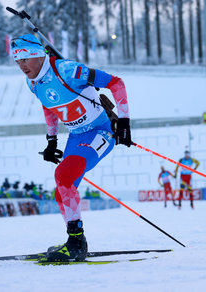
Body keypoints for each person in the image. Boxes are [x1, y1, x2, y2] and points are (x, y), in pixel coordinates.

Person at [11, 34, 131, 261]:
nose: (22, 66)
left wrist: (124, 121)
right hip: (76, 136)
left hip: (100, 132)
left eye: (25, 59)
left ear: (38, 55)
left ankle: (76, 241)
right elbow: (49, 106)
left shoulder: (68, 71)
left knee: (63, 176)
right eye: (17, 61)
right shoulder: (33, 82)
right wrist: (52, 140)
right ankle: (75, 240)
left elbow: (116, 83)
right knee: (61, 190)